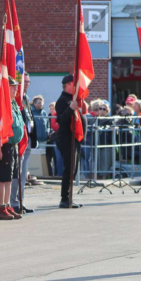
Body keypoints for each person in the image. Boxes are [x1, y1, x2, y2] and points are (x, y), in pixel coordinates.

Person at [0, 78, 24, 220]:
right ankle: (1, 207)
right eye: (13, 87)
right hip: (4, 144)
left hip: (13, 145)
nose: (16, 90)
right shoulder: (3, 104)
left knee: (10, 178)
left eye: (16, 87)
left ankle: (7, 204)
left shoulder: (13, 104)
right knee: (3, 178)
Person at [55, 74, 86, 209]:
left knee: (73, 169)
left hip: (75, 138)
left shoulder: (74, 98)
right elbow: (61, 120)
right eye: (74, 84)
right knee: (69, 168)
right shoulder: (62, 100)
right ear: (68, 84)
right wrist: (70, 109)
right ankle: (65, 199)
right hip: (66, 138)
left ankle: (69, 198)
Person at [11, 72, 38, 214]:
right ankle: (14, 202)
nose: (27, 83)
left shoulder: (26, 97)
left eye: (28, 81)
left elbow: (30, 118)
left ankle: (20, 201)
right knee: (17, 172)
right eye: (25, 81)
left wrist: (34, 137)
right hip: (18, 140)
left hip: (27, 138)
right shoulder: (16, 98)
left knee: (23, 173)